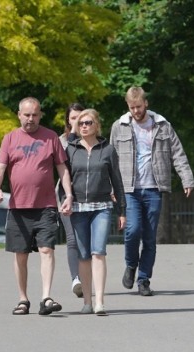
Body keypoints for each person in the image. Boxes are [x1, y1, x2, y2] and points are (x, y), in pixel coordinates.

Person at [110, 86, 194, 296]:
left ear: (145, 103)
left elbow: (177, 153)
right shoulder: (119, 126)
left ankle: (144, 279)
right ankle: (131, 265)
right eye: (132, 107)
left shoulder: (162, 125)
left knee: (149, 237)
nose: (136, 111)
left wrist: (187, 179)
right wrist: (111, 186)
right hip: (129, 188)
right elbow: (110, 160)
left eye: (139, 106)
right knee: (132, 231)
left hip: (154, 188)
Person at [0, 97, 73, 316]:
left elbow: (62, 168)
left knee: (47, 249)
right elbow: (0, 167)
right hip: (18, 207)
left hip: (45, 205)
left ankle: (46, 297)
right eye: (26, 114)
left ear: (40, 115)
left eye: (35, 114)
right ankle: (22, 299)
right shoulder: (10, 138)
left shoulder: (51, 137)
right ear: (19, 114)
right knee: (21, 253)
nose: (30, 119)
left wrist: (69, 194)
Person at [66, 109, 126, 315]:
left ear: (97, 125)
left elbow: (117, 182)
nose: (83, 126)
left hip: (101, 206)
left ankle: (100, 302)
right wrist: (64, 200)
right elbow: (65, 179)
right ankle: (87, 302)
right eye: (80, 122)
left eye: (88, 122)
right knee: (83, 256)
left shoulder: (107, 150)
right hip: (78, 208)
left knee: (98, 252)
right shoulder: (71, 150)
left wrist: (122, 211)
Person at [57, 102, 85, 298]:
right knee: (72, 238)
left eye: (80, 118)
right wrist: (74, 134)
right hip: (66, 194)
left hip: (88, 194)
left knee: (86, 240)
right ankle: (76, 279)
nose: (76, 122)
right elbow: (66, 162)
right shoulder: (62, 141)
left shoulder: (93, 139)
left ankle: (87, 277)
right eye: (73, 118)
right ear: (68, 120)